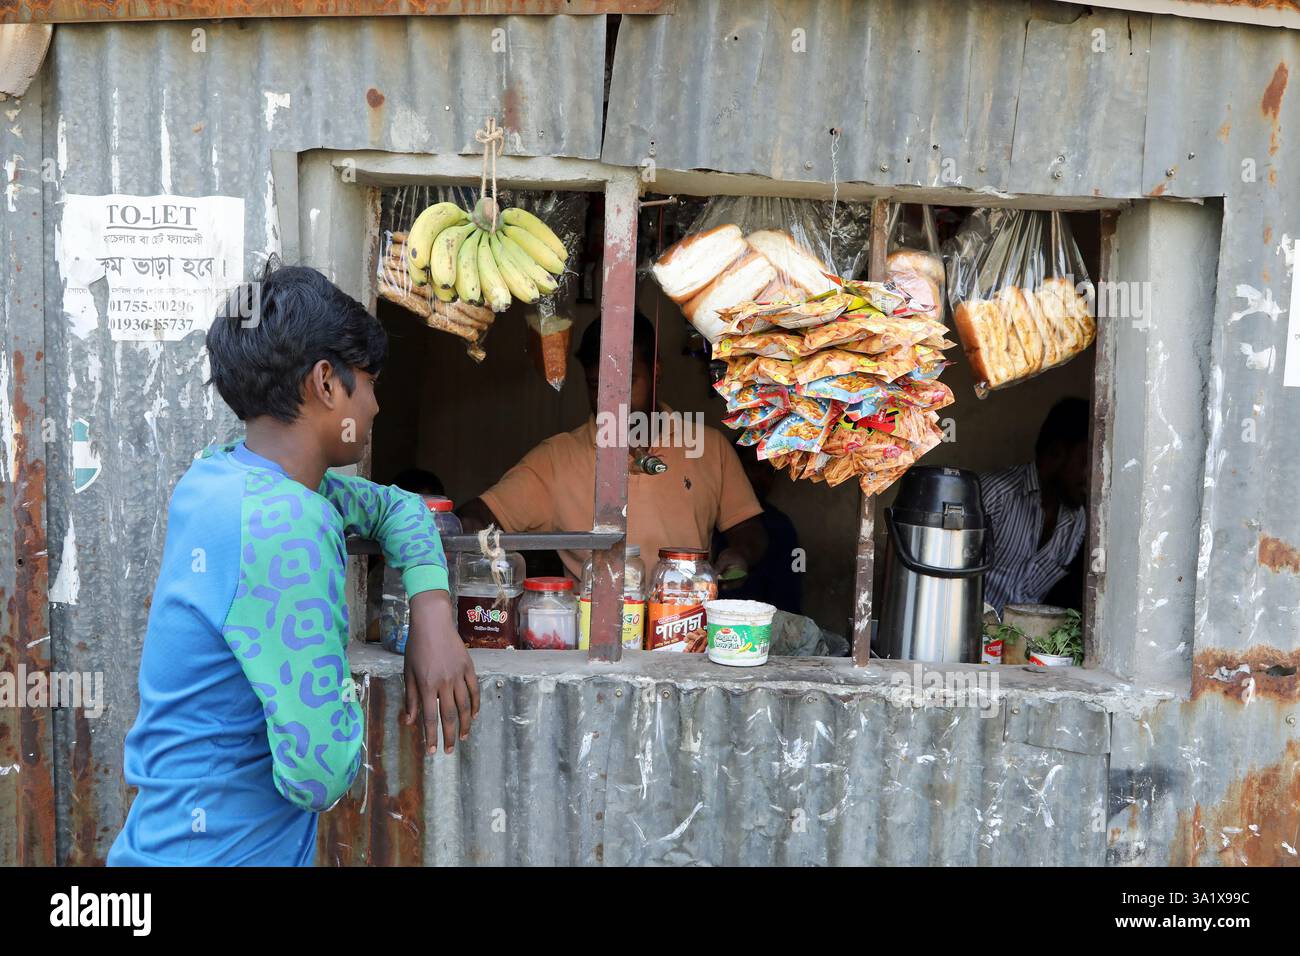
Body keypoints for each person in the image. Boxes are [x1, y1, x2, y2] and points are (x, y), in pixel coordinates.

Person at [109, 265, 478, 866]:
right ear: (327, 383)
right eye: (372, 385)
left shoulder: (222, 474)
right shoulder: (286, 524)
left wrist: (432, 612)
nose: (379, 405)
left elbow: (399, 508)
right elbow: (320, 774)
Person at [459, 312, 767, 584]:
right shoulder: (555, 460)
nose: (612, 400)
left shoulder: (709, 447)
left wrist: (738, 554)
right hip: (592, 641)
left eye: (628, 382)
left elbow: (750, 529)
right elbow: (478, 515)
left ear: (656, 372)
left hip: (683, 630)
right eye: (598, 386)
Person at [980, 397, 1090, 614]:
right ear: (1056, 453)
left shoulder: (1077, 521)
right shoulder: (995, 495)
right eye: (1085, 460)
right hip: (966, 640)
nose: (1090, 474)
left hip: (1022, 643)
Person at [711, 444, 802, 614]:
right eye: (754, 466)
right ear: (734, 468)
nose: (762, 477)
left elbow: (788, 596)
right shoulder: (706, 514)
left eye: (770, 471)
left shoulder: (780, 525)